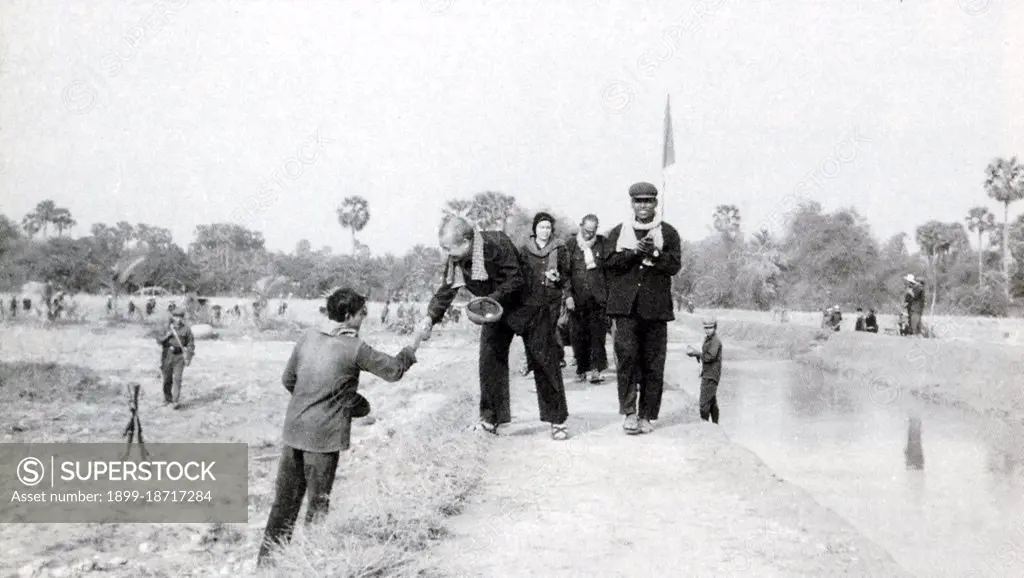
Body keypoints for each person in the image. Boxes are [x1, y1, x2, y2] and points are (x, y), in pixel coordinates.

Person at [257, 288, 422, 567]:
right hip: (323, 439)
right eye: (361, 315)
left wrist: (334, 398)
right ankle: (308, 566)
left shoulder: (308, 337)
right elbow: (393, 370)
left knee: (283, 505)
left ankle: (266, 567)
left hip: (294, 431)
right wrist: (415, 343)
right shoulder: (353, 347)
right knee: (318, 507)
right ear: (347, 316)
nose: (363, 320)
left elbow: (288, 380)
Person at [419, 215, 570, 440]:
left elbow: (516, 279)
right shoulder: (456, 260)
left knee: (544, 360)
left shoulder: (497, 243)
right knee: (489, 359)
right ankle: (491, 418)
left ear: (467, 242)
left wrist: (489, 300)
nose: (447, 254)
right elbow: (446, 290)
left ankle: (557, 420)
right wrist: (430, 318)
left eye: (450, 248)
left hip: (528, 304)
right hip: (494, 309)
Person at [603, 182, 682, 435]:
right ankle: (629, 413)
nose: (644, 206)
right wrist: (633, 253)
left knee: (653, 363)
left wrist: (656, 254)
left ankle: (647, 414)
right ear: (632, 204)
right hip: (626, 309)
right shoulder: (618, 232)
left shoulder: (668, 233)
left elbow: (674, 266)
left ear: (655, 204)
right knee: (626, 360)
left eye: (648, 201)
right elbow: (609, 265)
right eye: (639, 201)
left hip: (655, 309)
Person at [518, 212, 571, 369]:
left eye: (548, 227)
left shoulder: (559, 247)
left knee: (548, 332)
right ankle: (533, 365)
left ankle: (552, 365)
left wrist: (557, 278)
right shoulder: (524, 249)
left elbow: (567, 274)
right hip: (531, 298)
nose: (545, 231)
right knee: (532, 333)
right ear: (535, 229)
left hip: (551, 297)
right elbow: (520, 274)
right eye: (542, 227)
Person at [564, 213, 609, 384]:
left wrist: (607, 294)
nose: (589, 234)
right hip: (577, 299)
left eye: (593, 231)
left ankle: (596, 370)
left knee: (598, 336)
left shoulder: (603, 243)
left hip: (598, 299)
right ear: (581, 226)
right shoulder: (571, 244)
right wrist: (568, 295)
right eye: (586, 230)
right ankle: (581, 369)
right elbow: (565, 273)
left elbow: (608, 271)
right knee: (578, 335)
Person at [686, 317, 723, 424]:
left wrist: (696, 353)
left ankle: (705, 425)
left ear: (715, 328)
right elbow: (706, 356)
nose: (707, 330)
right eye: (705, 328)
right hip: (708, 373)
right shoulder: (709, 339)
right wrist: (697, 354)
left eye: (710, 328)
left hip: (711, 375)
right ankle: (715, 425)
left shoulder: (715, 341)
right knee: (711, 401)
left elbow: (710, 357)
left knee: (704, 403)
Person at [157, 309, 195, 409]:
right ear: (172, 317)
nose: (178, 319)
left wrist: (189, 356)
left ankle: (175, 400)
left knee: (177, 379)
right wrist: (167, 335)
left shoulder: (186, 329)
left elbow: (191, 344)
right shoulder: (167, 327)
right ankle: (167, 398)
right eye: (176, 317)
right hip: (167, 356)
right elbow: (159, 340)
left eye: (180, 317)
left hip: (179, 357)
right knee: (167, 379)